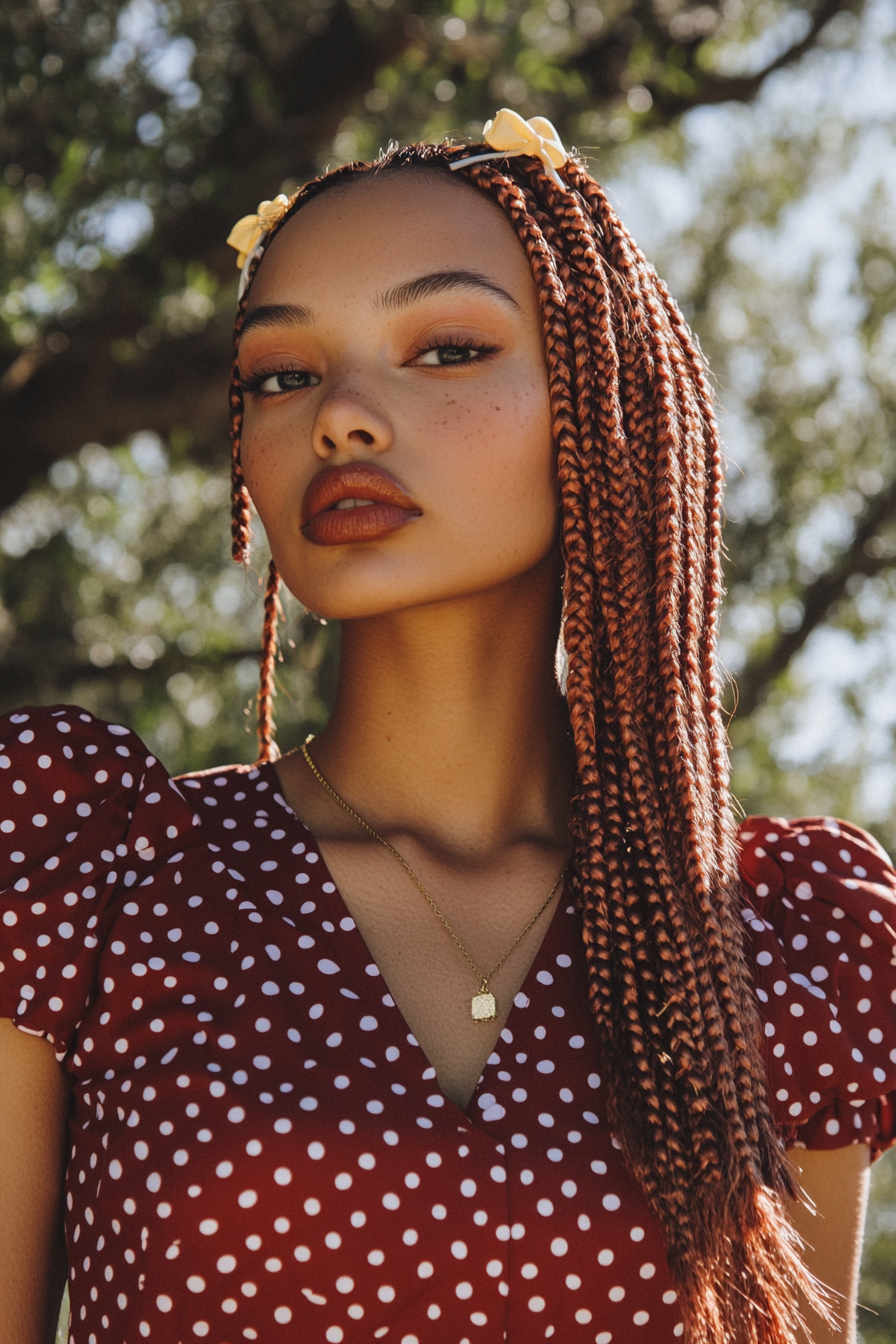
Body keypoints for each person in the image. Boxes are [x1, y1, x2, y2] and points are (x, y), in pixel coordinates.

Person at [1, 112, 894, 1344]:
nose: (341, 418)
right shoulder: (89, 866)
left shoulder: (780, 947)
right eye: (281, 372)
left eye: (447, 347)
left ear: (601, 399)